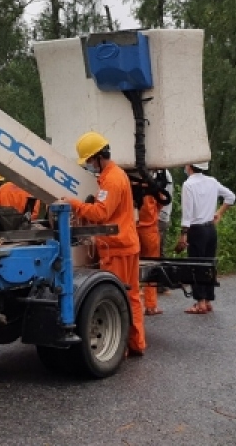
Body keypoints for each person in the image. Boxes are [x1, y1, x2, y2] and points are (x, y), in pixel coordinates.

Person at [65, 131, 146, 357]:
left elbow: (101, 213)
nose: (89, 165)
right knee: (130, 296)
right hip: (126, 244)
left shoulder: (111, 179)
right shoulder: (115, 175)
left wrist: (74, 204)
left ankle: (124, 347)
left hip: (116, 248)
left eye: (89, 160)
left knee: (115, 297)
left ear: (99, 156)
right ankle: (136, 343)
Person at [176, 161, 235, 314]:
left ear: (190, 167)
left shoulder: (188, 185)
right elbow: (231, 197)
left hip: (196, 231)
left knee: (196, 266)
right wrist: (219, 213)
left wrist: (183, 234)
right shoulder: (212, 181)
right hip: (210, 229)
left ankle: (199, 301)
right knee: (209, 265)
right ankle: (208, 299)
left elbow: (187, 215)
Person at [136, 187, 162, 315]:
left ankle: (136, 302)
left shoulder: (126, 180)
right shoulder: (152, 184)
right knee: (151, 266)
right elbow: (162, 201)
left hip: (132, 227)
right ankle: (151, 305)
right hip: (150, 228)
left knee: (132, 266)